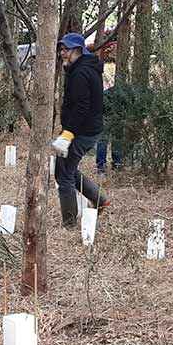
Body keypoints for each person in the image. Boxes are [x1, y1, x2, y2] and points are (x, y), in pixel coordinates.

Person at [50, 32, 110, 227]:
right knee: (66, 169)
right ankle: (99, 198)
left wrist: (68, 134)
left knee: (64, 175)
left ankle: (69, 223)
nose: (62, 53)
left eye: (66, 49)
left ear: (77, 50)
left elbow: (81, 107)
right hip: (84, 129)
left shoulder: (80, 73)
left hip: (81, 131)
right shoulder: (84, 68)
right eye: (61, 49)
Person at [94, 42, 123, 175]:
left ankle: (106, 165)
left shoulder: (101, 67)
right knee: (107, 137)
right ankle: (106, 165)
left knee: (109, 136)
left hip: (109, 103)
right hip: (108, 103)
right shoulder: (113, 68)